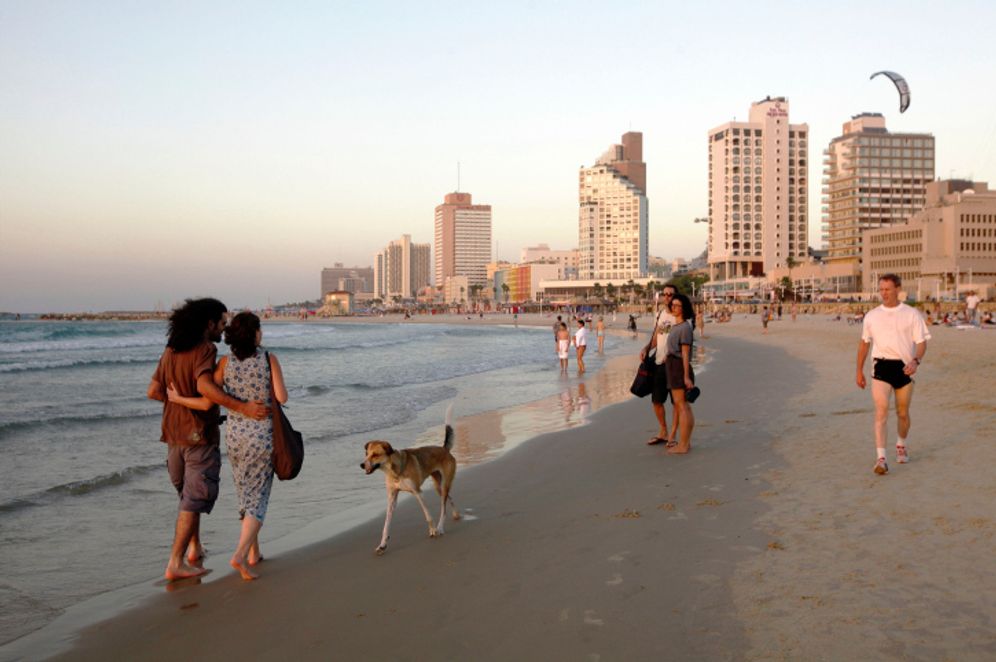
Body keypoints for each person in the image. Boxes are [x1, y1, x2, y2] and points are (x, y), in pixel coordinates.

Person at [147, 298, 268, 581]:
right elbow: (205, 388)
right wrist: (242, 407)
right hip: (199, 435)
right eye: (222, 323)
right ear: (209, 323)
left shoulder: (170, 350)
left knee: (187, 496)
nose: (224, 329)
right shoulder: (205, 349)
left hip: (172, 434)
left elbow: (153, 391)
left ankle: (194, 548)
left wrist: (176, 400)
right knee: (194, 498)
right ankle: (175, 562)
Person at [168, 312, 287, 580]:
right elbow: (282, 396)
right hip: (262, 438)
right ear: (255, 334)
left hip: (234, 438)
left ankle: (255, 553)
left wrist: (178, 398)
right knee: (259, 499)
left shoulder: (224, 363)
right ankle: (240, 555)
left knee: (244, 493)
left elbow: (208, 397)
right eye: (260, 329)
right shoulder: (269, 359)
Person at [856, 274, 930, 475]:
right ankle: (881, 459)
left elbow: (922, 343)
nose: (884, 293)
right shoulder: (872, 316)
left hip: (904, 368)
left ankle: (901, 444)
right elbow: (864, 344)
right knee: (881, 411)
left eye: (888, 289)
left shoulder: (911, 314)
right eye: (881, 289)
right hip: (880, 367)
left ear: (898, 289)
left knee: (902, 413)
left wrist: (916, 361)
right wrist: (859, 371)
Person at [641, 284, 677, 446]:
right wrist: (646, 348)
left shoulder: (680, 315)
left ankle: (674, 435)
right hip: (658, 362)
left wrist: (672, 354)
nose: (667, 297)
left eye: (670, 294)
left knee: (676, 402)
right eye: (665, 294)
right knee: (656, 400)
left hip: (673, 363)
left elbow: (685, 340)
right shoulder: (662, 314)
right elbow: (657, 336)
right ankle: (663, 431)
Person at [664, 293, 696, 454]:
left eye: (678, 305)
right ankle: (685, 442)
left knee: (682, 406)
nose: (674, 308)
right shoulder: (676, 326)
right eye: (673, 305)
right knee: (683, 405)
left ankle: (683, 445)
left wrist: (685, 376)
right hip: (672, 365)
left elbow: (685, 353)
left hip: (678, 367)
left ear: (684, 308)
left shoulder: (684, 327)